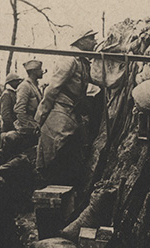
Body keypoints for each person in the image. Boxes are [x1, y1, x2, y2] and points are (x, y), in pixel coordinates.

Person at [34, 29, 98, 188]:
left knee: (71, 156)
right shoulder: (69, 59)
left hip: (71, 112)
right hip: (60, 113)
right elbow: (52, 89)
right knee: (58, 154)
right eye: (91, 39)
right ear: (81, 40)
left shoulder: (82, 61)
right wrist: (40, 117)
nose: (94, 42)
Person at [13, 59, 44, 147]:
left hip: (35, 126)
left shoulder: (34, 86)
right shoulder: (24, 86)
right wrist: (30, 128)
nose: (42, 71)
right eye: (40, 69)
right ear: (34, 71)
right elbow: (20, 111)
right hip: (28, 131)